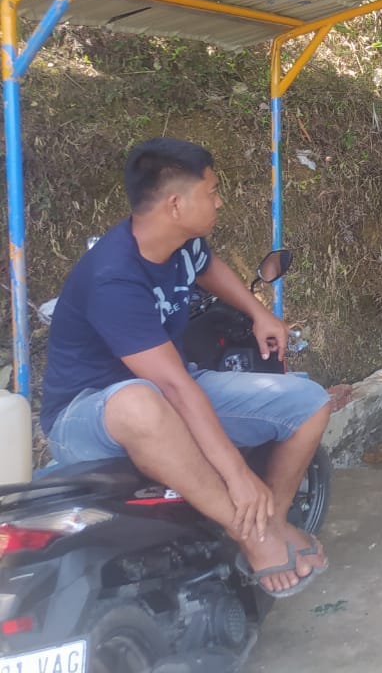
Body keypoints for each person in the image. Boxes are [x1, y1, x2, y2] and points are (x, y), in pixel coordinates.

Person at [40, 138, 333, 596]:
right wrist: (238, 476)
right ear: (175, 204)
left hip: (166, 389)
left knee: (309, 402)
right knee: (141, 402)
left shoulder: (180, 243)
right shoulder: (113, 277)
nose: (219, 202)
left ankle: (271, 522)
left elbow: (208, 266)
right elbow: (174, 387)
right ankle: (250, 534)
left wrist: (258, 313)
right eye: (211, 192)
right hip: (88, 414)